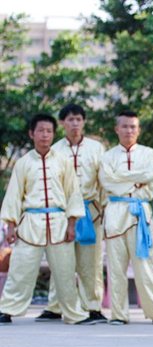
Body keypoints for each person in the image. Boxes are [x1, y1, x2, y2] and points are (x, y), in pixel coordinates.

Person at [0, 114, 94, 325]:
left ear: (53, 134)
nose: (45, 135)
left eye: (49, 131)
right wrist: (10, 226)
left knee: (65, 271)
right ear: (31, 133)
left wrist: (72, 224)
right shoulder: (23, 163)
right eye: (40, 131)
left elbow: (73, 193)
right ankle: (6, 309)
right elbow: (14, 195)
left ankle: (73, 313)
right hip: (30, 223)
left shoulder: (63, 162)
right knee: (20, 268)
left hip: (59, 223)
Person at [99, 110, 153, 325]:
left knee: (147, 265)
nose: (129, 130)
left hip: (141, 212)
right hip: (115, 213)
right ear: (117, 129)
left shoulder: (149, 153)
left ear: (138, 129)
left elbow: (150, 174)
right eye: (124, 126)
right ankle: (118, 314)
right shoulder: (107, 156)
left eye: (133, 126)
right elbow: (107, 182)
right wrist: (135, 181)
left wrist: (122, 179)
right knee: (115, 267)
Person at [36, 104, 107, 323]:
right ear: (62, 123)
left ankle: (92, 306)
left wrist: (103, 208)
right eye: (70, 120)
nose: (74, 123)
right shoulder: (55, 149)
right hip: (62, 213)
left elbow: (102, 181)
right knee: (61, 260)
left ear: (84, 122)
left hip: (90, 211)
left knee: (91, 261)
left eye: (78, 119)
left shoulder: (97, 149)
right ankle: (56, 306)